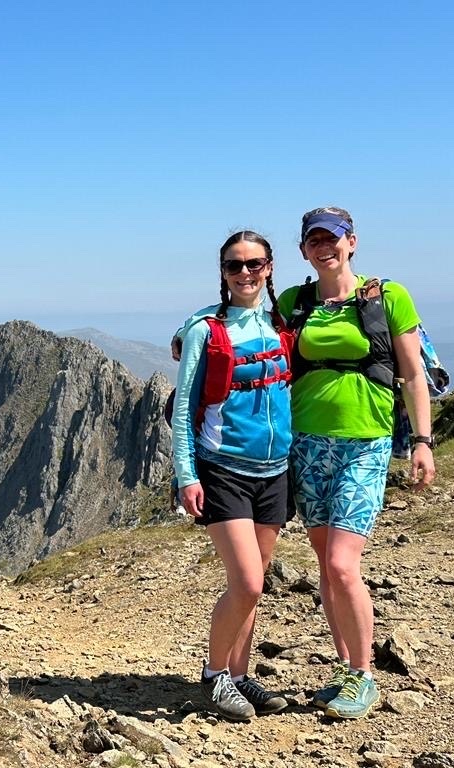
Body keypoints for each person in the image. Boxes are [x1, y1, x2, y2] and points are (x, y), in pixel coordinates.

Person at [277, 206, 436, 720]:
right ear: (304, 249)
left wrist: (422, 440)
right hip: (306, 443)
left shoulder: (387, 296)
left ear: (352, 242)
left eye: (334, 238)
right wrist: (189, 338)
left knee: (344, 566)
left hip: (364, 442)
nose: (325, 246)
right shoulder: (294, 302)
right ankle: (346, 671)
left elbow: (412, 374)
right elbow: (247, 332)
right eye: (314, 240)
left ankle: (364, 675)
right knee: (326, 566)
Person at [171, 230, 293, 721]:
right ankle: (216, 676)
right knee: (247, 582)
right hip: (223, 470)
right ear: (222, 273)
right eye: (234, 266)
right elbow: (184, 408)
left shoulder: (281, 322)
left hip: (276, 470)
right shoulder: (206, 330)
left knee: (256, 581)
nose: (245, 273)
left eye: (255, 264)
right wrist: (186, 474)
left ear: (269, 267)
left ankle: (240, 677)